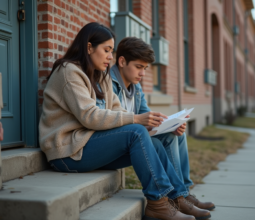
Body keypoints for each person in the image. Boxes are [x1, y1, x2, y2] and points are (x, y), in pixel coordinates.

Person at [39, 22, 210, 220]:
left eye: (111, 51)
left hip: (88, 145)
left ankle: (177, 198)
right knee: (135, 132)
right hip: (67, 152)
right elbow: (90, 116)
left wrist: (152, 123)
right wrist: (136, 119)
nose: (110, 56)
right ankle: (157, 203)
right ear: (88, 47)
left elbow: (117, 111)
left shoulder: (99, 75)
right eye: (107, 50)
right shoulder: (69, 71)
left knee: (155, 139)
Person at [111, 37, 215, 211]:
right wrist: (140, 121)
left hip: (133, 137)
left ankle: (184, 193)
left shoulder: (136, 88)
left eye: (145, 68)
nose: (143, 74)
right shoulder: (108, 83)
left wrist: (169, 124)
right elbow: (110, 120)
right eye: (138, 67)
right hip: (117, 143)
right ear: (122, 61)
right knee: (156, 142)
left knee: (176, 135)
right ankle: (177, 196)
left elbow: (147, 116)